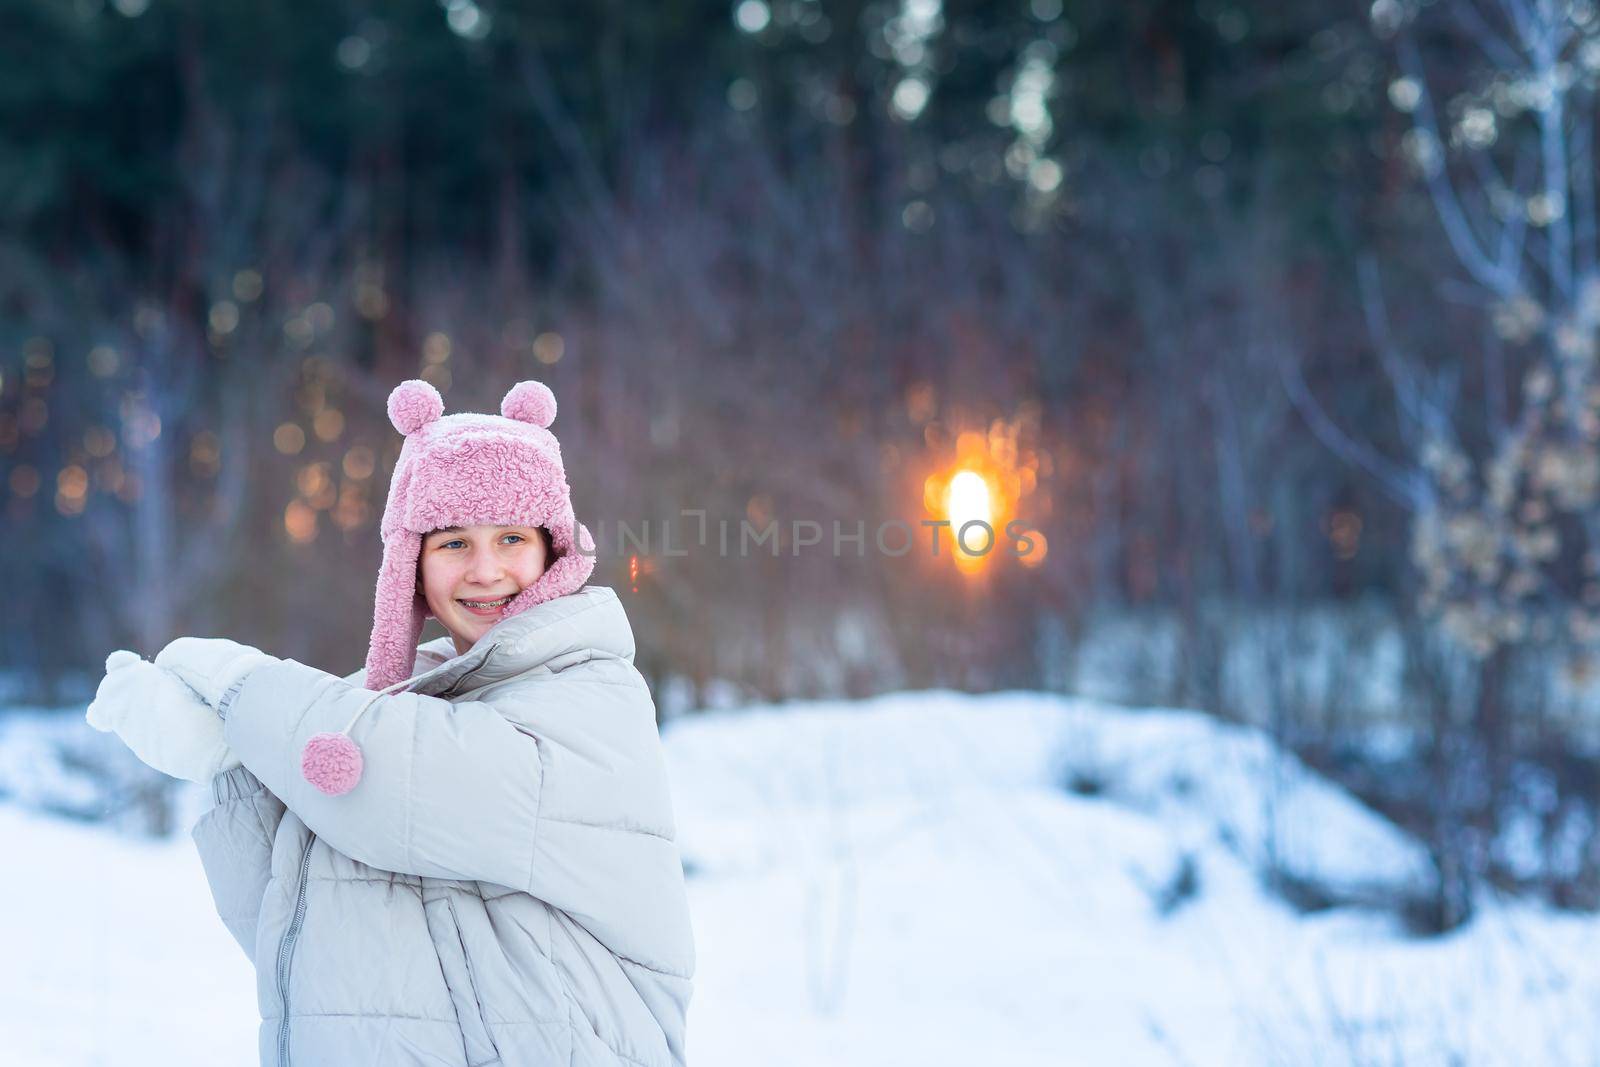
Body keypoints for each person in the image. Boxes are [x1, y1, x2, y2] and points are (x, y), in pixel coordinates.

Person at [86, 378, 695, 1067]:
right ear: (411, 566)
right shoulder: (421, 701)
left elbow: (397, 785)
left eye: (512, 537)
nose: (486, 568)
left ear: (554, 551)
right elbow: (302, 930)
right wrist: (230, 763)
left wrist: (243, 695)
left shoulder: (590, 691)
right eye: (453, 543)